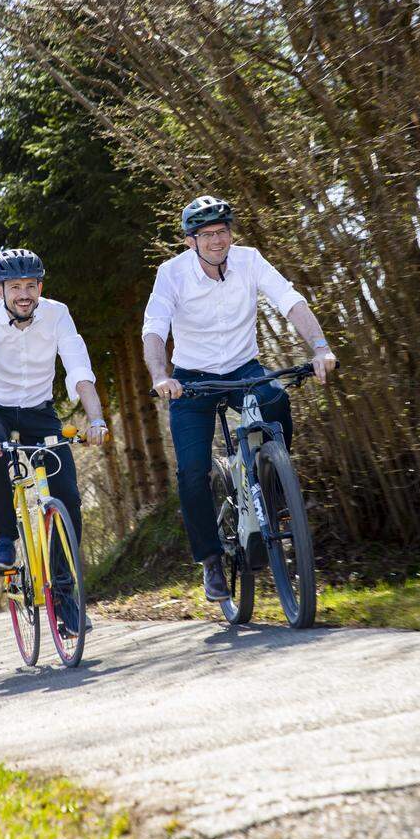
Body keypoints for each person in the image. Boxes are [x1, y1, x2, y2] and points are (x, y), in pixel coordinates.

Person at [142, 195, 337, 602]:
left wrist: (320, 348)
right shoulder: (171, 274)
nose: (217, 241)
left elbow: (291, 301)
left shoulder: (249, 260)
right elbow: (155, 328)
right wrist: (161, 376)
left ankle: (274, 485)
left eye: (223, 231)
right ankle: (211, 561)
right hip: (191, 380)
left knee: (277, 400)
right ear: (190, 241)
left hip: (243, 367)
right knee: (192, 473)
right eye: (207, 234)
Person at [0, 249, 107, 629]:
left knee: (67, 496)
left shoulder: (57, 314)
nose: (24, 293)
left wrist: (97, 418)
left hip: (39, 409)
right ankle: (4, 540)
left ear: (41, 287)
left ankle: (64, 594)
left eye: (31, 285)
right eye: (15, 286)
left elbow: (78, 367)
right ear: (0, 289)